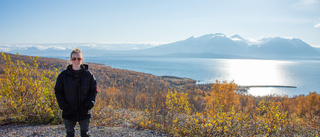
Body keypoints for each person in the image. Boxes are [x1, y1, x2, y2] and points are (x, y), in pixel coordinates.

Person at [55, 48, 97, 137]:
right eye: (74, 58)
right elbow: (58, 91)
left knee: (85, 134)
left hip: (84, 110)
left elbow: (93, 91)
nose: (76, 61)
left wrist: (89, 104)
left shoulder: (89, 75)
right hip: (68, 110)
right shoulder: (63, 76)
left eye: (79, 58)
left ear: (82, 59)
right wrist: (63, 105)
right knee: (70, 134)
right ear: (70, 60)